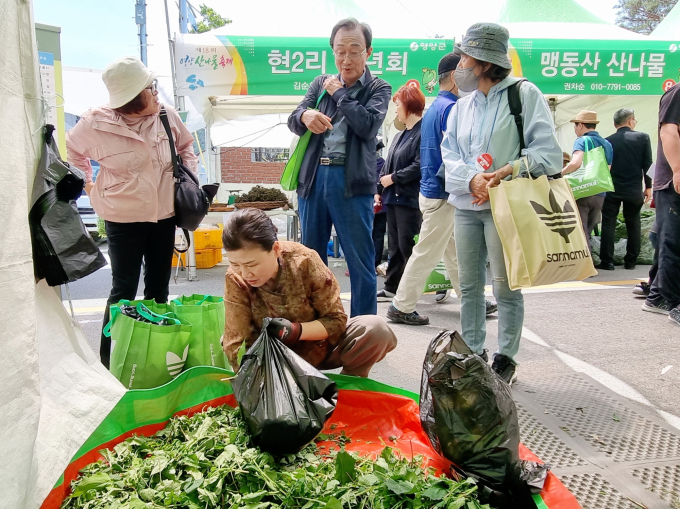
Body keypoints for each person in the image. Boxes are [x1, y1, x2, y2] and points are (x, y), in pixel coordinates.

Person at [442, 23, 562, 384]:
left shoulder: (524, 94)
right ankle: (473, 352)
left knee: (507, 287)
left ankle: (506, 357)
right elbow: (449, 154)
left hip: (507, 206)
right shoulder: (460, 107)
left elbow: (548, 153)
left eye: (465, 57)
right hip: (466, 205)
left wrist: (508, 170)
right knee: (469, 286)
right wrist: (472, 179)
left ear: (482, 61)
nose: (459, 64)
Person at [66, 57, 197, 368]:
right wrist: (89, 184)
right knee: (123, 289)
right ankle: (110, 360)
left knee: (158, 288)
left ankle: (156, 355)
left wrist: (189, 177)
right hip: (121, 216)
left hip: (164, 213)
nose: (156, 93)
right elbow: (73, 150)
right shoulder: (94, 124)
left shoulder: (166, 115)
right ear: (133, 98)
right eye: (150, 89)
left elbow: (186, 145)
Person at [287, 18, 392, 317]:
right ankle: (316, 329)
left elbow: (368, 126)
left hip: (352, 183)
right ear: (332, 50)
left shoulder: (378, 87)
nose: (346, 59)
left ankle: (362, 332)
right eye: (339, 50)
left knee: (360, 262)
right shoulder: (320, 83)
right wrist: (305, 115)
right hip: (314, 178)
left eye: (354, 50)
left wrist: (339, 94)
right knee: (312, 260)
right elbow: (294, 118)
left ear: (368, 51)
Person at [386, 53, 496, 326]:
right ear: (457, 76)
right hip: (445, 192)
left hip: (434, 191)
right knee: (428, 252)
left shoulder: (437, 106)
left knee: (452, 252)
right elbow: (461, 152)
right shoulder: (454, 109)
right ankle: (401, 305)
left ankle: (473, 299)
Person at [221, 208, 398, 376]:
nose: (245, 274)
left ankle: (351, 385)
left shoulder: (304, 261)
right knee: (228, 342)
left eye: (252, 264)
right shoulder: (235, 278)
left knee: (375, 329)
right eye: (236, 264)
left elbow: (336, 321)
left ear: (276, 249)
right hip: (273, 357)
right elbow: (237, 341)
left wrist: (294, 331)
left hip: (321, 348)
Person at [375, 85, 425, 301]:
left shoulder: (423, 133)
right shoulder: (399, 136)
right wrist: (379, 190)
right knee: (395, 245)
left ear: (408, 105)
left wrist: (394, 178)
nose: (396, 110)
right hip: (393, 198)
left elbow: (420, 165)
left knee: (408, 245)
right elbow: (387, 166)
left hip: (409, 198)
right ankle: (392, 286)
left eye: (398, 105)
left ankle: (409, 291)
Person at [643, 82, 680, 327]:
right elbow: (668, 131)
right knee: (673, 242)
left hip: (669, 181)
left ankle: (657, 297)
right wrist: (677, 170)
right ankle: (674, 302)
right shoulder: (677, 93)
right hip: (672, 182)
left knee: (667, 239)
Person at [597, 109, 653, 270]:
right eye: (634, 120)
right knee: (633, 223)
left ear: (615, 124)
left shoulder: (607, 141)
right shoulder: (643, 138)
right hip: (634, 188)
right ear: (630, 121)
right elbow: (648, 164)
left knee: (608, 223)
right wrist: (649, 186)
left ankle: (607, 261)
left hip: (611, 188)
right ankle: (631, 261)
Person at [561, 110, 613, 246]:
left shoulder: (581, 140)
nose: (575, 129)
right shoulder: (607, 144)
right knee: (588, 231)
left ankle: (584, 265)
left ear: (581, 125)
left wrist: (561, 173)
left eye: (575, 126)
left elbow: (575, 163)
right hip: (600, 191)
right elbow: (608, 169)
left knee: (580, 232)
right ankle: (589, 264)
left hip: (583, 190)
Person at [372, 141, 387, 269]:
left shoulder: (364, 164)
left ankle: (367, 264)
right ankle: (375, 263)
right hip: (382, 205)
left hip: (367, 204)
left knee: (367, 235)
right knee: (378, 235)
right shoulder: (384, 163)